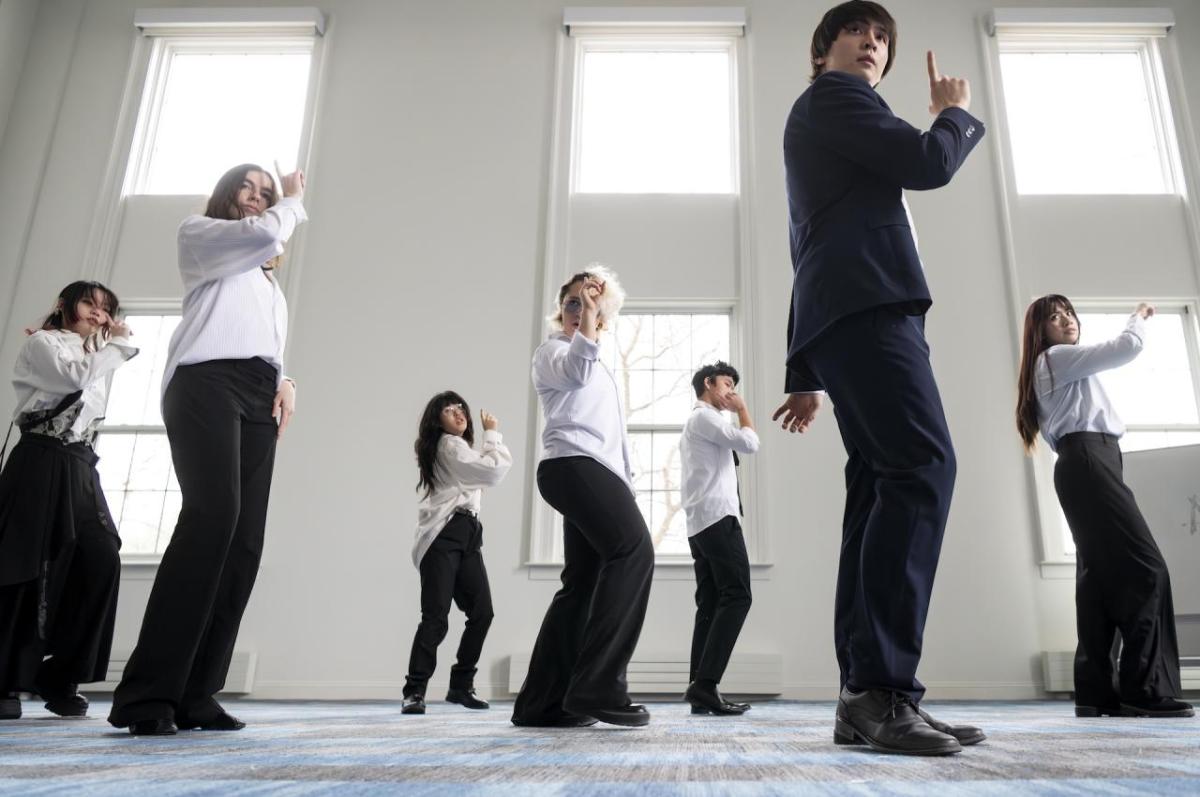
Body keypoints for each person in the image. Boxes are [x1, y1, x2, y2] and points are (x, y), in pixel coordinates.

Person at [770, 1, 986, 754]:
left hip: (845, 314)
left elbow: (807, 241)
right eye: (858, 31)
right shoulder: (835, 98)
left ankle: (865, 696)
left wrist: (805, 367)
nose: (873, 42)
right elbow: (928, 164)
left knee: (877, 489)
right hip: (868, 309)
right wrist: (953, 115)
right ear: (824, 47)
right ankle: (881, 688)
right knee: (925, 465)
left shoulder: (825, 120)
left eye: (883, 37)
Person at [108, 163, 306, 736]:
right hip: (204, 383)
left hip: (257, 395)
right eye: (248, 188)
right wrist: (293, 200)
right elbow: (266, 234)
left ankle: (197, 693)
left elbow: (262, 341)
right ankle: (146, 696)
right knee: (211, 519)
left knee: (244, 542)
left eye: (266, 192)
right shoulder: (201, 235)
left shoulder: (266, 281)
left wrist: (287, 380)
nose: (257, 198)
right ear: (226, 195)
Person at [1016, 296, 1194, 719]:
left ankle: (1096, 692)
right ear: (1040, 332)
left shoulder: (1060, 366)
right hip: (1089, 462)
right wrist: (1140, 317)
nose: (1066, 321)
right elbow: (1127, 348)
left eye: (1069, 313)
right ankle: (1144, 689)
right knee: (1147, 570)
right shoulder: (1056, 358)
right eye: (1054, 317)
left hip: (1087, 465)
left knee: (1097, 585)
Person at [511, 265, 654, 728]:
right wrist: (588, 320)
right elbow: (574, 373)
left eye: (589, 305)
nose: (580, 311)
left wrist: (627, 488)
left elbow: (614, 438)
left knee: (583, 585)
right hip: (572, 465)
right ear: (561, 311)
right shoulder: (552, 352)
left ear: (604, 318)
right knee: (634, 552)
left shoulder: (603, 369)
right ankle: (599, 685)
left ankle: (542, 704)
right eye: (572, 303)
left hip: (597, 471)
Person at [0, 281, 135, 720]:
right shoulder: (44, 343)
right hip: (39, 458)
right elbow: (71, 379)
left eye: (106, 310)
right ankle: (5, 679)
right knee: (28, 565)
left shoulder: (92, 355)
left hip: (79, 463)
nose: (98, 315)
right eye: (89, 304)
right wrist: (119, 343)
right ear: (64, 305)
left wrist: (107, 347)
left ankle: (59, 675)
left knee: (100, 559)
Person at [402, 391, 511, 715]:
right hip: (445, 534)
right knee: (436, 617)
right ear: (438, 421)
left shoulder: (459, 447)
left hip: (467, 533)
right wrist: (492, 434)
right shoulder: (449, 445)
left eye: (460, 408)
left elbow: (486, 472)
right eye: (449, 411)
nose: (459, 414)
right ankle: (415, 691)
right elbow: (492, 471)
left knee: (482, 612)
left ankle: (460, 686)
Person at [679, 361, 758, 716]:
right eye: (727, 384)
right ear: (708, 384)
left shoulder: (700, 421)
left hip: (700, 521)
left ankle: (700, 689)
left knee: (710, 605)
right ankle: (706, 685)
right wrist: (743, 410)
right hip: (716, 516)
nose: (732, 392)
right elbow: (748, 444)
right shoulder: (707, 418)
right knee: (738, 595)